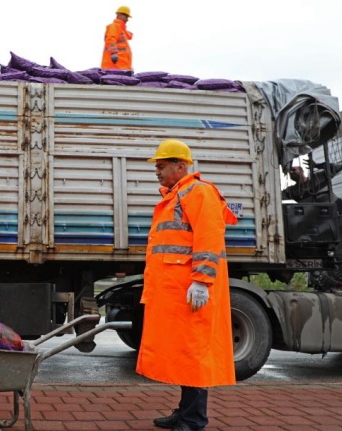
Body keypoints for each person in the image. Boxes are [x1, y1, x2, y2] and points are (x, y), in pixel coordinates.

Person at [137, 139, 238, 431]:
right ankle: (185, 412)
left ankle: (194, 420)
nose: (157, 171)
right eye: (156, 167)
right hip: (178, 290)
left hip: (191, 290)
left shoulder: (198, 192)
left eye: (161, 166)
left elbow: (209, 238)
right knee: (184, 353)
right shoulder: (178, 194)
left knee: (193, 354)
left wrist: (202, 281)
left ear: (180, 166)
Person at [283, 157, 342, 291]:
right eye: (290, 171)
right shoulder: (294, 191)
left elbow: (338, 167)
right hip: (332, 224)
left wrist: (318, 165)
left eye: (294, 169)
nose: (292, 172)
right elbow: (275, 194)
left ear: (303, 171)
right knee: (340, 253)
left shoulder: (319, 177)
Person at [101, 6, 133, 70]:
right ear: (119, 15)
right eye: (126, 17)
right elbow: (110, 39)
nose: (127, 19)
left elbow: (128, 36)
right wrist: (113, 53)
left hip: (122, 66)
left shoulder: (122, 30)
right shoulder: (114, 26)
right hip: (114, 65)